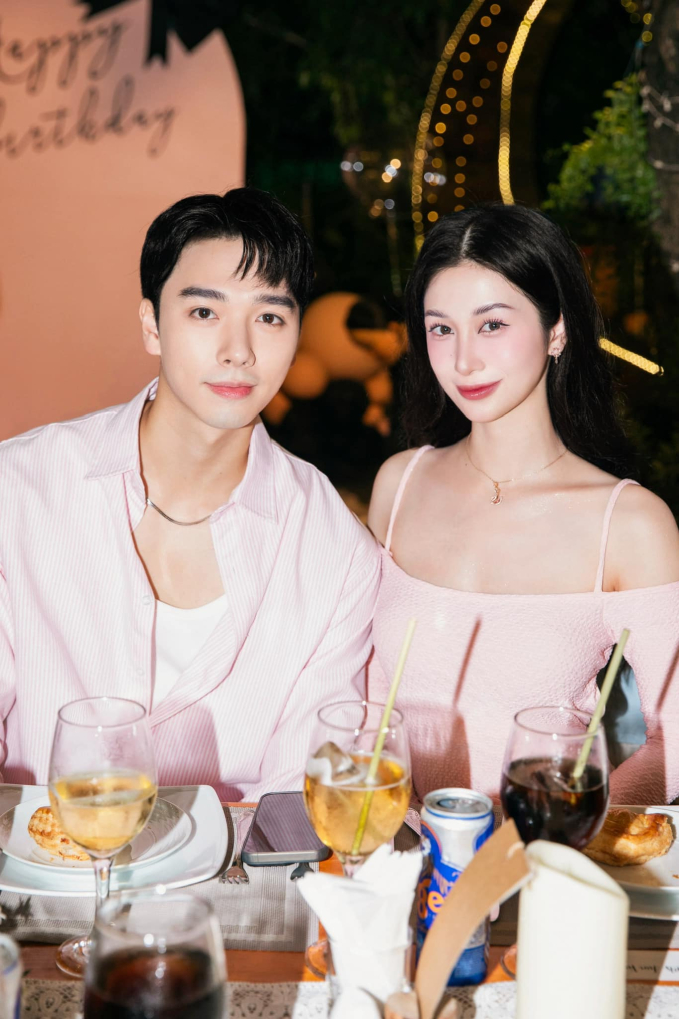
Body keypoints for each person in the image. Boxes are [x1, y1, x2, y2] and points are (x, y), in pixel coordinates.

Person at [0, 188, 380, 800]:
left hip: (239, 864)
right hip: (38, 855)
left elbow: (298, 798)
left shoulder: (335, 550)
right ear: (152, 324)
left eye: (270, 317)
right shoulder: (19, 489)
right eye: (204, 312)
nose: (239, 351)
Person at [368, 204, 679, 806]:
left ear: (556, 330)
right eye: (441, 329)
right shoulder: (399, 484)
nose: (464, 360)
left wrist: (562, 830)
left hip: (541, 844)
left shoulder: (629, 525)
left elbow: (673, 739)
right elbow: (372, 692)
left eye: (491, 325)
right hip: (394, 841)